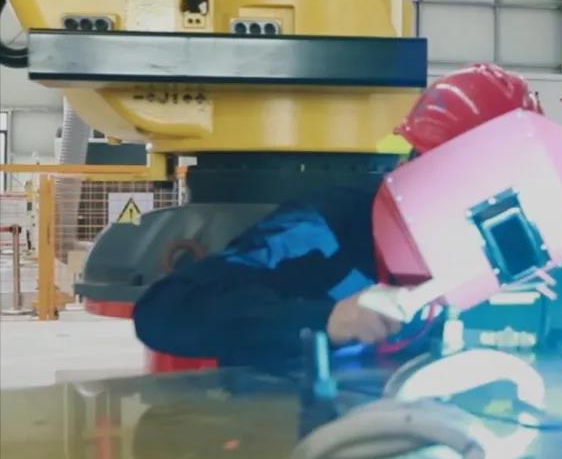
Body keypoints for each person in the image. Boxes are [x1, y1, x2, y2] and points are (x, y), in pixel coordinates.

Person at [133, 64, 540, 367]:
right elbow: (165, 310)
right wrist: (326, 319)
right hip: (279, 430)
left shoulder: (503, 252)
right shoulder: (325, 227)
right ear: (417, 164)